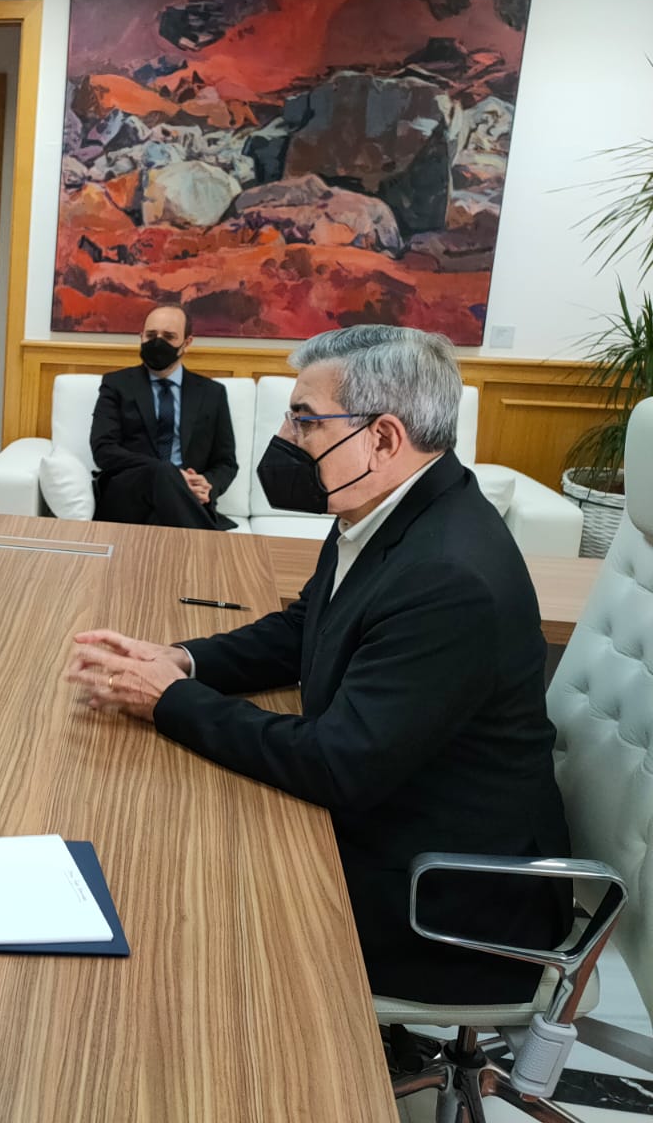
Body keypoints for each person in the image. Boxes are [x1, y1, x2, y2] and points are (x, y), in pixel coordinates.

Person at [64, 325, 571, 1004]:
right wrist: (181, 660)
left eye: (304, 419)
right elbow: (307, 623)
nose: (285, 436)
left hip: (442, 904)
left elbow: (337, 764)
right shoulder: (387, 506)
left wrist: (168, 701)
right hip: (399, 822)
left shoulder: (451, 576)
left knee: (171, 892)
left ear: (384, 438)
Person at [89, 304, 238, 530]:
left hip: (187, 498)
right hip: (128, 494)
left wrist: (207, 485)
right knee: (163, 471)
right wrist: (172, 475)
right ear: (140, 337)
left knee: (162, 524)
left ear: (187, 343)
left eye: (169, 337)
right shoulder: (116, 385)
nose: (157, 342)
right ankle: (212, 547)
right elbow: (103, 450)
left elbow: (226, 462)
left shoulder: (212, 393)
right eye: (151, 335)